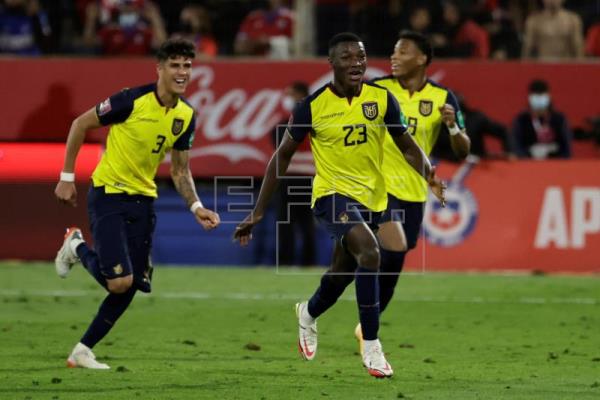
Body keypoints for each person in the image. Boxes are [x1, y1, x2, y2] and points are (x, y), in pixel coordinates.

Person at [233, 32, 445, 378]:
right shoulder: (313, 106)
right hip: (332, 195)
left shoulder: (381, 98)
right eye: (346, 58)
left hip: (374, 197)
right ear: (331, 63)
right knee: (371, 253)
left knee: (341, 274)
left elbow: (406, 144)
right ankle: (373, 345)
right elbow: (281, 156)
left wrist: (429, 175)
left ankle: (308, 312)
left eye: (360, 57)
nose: (356, 64)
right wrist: (258, 211)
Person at [54, 38, 220, 369]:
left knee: (136, 284)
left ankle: (83, 349)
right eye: (174, 65)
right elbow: (80, 124)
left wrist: (196, 206)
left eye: (187, 65)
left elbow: (179, 169)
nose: (182, 72)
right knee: (119, 281)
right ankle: (76, 247)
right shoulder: (131, 100)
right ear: (159, 68)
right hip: (109, 195)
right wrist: (67, 176)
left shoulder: (186, 115)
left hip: (143, 202)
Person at [355, 31, 470, 352]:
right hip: (376, 186)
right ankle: (369, 327)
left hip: (414, 193)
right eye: (393, 51)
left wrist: (452, 127)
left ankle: (367, 323)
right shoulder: (378, 89)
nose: (394, 57)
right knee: (387, 249)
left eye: (402, 51)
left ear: (422, 59)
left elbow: (463, 149)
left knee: (395, 260)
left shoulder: (442, 98)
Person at [271, 81, 316, 266]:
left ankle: (289, 262)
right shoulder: (318, 122)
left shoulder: (289, 124)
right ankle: (302, 262)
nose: (289, 100)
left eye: (292, 95)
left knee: (295, 223)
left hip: (295, 178)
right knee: (298, 223)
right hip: (304, 179)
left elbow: (277, 144)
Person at [433, 93, 511, 160]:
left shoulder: (476, 119)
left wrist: (512, 153)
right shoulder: (437, 126)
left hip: (477, 167)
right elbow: (433, 152)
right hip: (448, 167)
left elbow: (503, 132)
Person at [511, 79, 572, 159]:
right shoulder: (521, 120)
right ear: (530, 97)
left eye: (542, 95)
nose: (539, 99)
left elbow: (566, 149)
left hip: (556, 165)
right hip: (528, 165)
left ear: (548, 96)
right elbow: (516, 147)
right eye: (536, 95)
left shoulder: (559, 119)